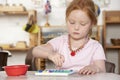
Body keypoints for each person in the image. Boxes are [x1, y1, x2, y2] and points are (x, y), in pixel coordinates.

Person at [32, 0, 106, 75]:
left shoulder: (96, 47)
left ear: (92, 24)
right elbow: (36, 50)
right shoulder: (60, 42)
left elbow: (102, 70)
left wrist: (95, 68)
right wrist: (50, 54)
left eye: (83, 24)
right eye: (72, 22)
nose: (76, 27)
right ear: (67, 20)